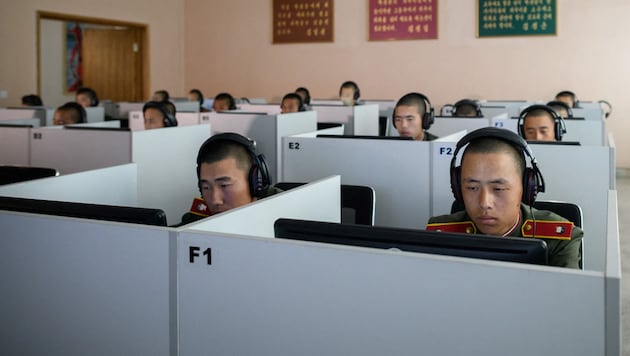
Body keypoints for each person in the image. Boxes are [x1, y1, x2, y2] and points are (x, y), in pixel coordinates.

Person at [426, 127, 583, 269]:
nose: (484, 203)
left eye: (499, 189)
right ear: (458, 188)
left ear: (526, 187)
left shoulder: (559, 238)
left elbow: (566, 298)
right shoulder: (440, 233)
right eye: (472, 188)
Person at [178, 132, 282, 225]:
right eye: (206, 187)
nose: (215, 200)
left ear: (255, 183)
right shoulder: (200, 217)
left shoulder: (284, 211)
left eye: (224, 186)